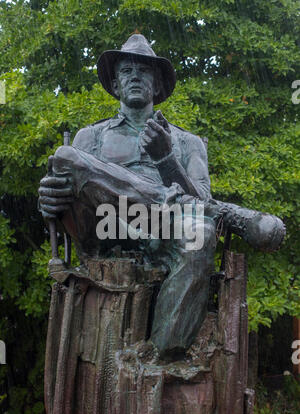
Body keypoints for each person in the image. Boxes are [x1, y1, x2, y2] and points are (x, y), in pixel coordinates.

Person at [39, 34, 285, 358]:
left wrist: (166, 160)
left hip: (162, 233)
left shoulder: (187, 142)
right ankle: (164, 201)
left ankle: (161, 355)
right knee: (68, 158)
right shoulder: (91, 137)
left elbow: (202, 206)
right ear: (115, 86)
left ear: (157, 86)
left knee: (200, 232)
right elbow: (69, 197)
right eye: (127, 71)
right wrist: (49, 202)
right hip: (105, 232)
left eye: (144, 71)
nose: (135, 76)